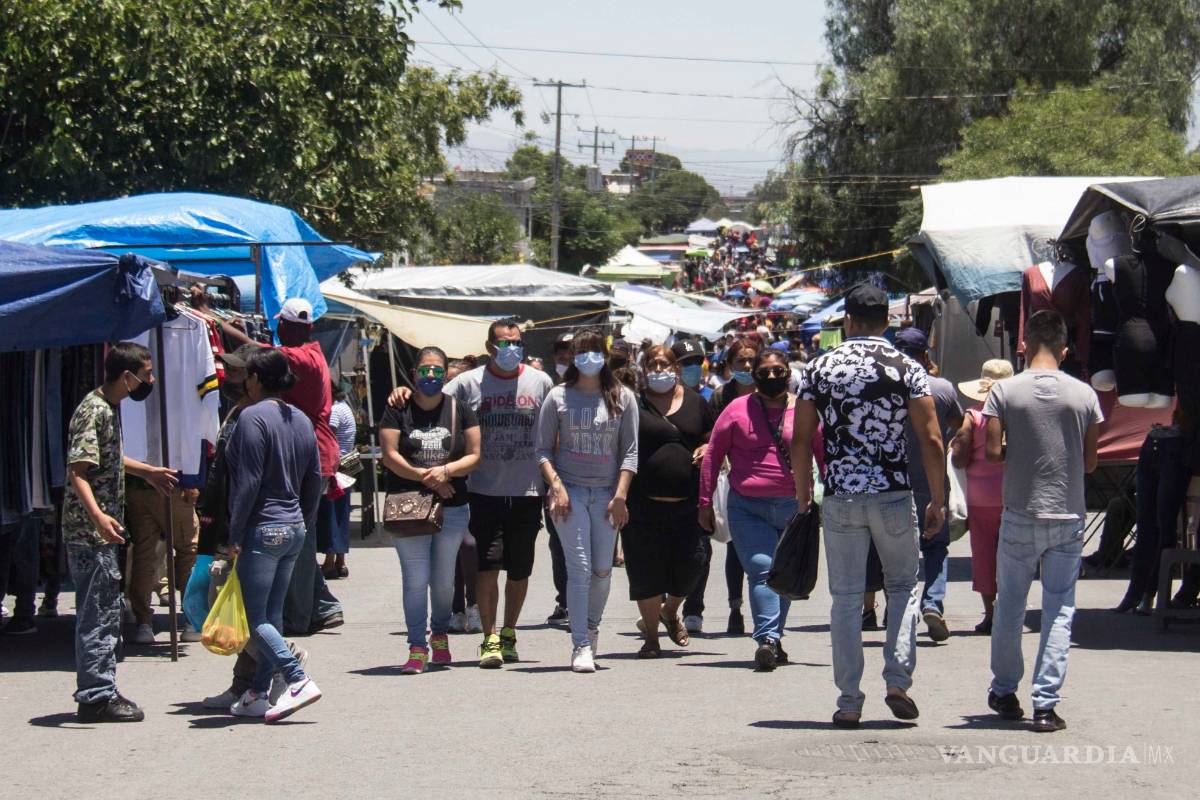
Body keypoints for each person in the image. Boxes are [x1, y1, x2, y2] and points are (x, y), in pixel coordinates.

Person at [792, 284, 945, 728]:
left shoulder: (819, 368)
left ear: (849, 321)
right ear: (889, 322)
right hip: (894, 492)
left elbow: (800, 440)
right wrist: (937, 498)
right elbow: (932, 439)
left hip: (840, 495)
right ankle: (897, 680)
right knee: (901, 587)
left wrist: (805, 496)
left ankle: (848, 700)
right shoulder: (906, 367)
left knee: (844, 598)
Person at [388, 318, 553, 668]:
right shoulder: (466, 383)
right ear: (489, 346)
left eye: (516, 342)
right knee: (487, 565)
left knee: (520, 568)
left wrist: (553, 483)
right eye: (503, 343)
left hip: (526, 490)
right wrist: (401, 391)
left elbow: (553, 433)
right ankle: (490, 638)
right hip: (482, 490)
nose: (510, 349)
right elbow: (429, 401)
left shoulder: (541, 382)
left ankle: (509, 632)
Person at [983, 310, 1102, 732]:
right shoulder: (1085, 395)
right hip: (1068, 514)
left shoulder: (1003, 391)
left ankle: (1003, 689)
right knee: (1059, 610)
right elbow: (1090, 463)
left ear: (1024, 344)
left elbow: (993, 452)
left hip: (1020, 510)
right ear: (1064, 348)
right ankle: (1046, 704)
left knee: (1010, 607)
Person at [63, 342, 179, 723]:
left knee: (106, 610)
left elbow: (107, 459)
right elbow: (77, 470)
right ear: (126, 377)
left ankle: (101, 688)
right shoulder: (93, 409)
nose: (151, 380)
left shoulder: (108, 409)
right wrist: (98, 517)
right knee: (97, 613)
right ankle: (96, 696)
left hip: (103, 531)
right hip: (91, 533)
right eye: (146, 374)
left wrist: (146, 471)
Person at [221, 297, 343, 635]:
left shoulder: (301, 357)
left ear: (289, 327)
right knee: (300, 538)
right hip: (309, 452)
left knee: (300, 542)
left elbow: (254, 349)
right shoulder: (313, 352)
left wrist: (217, 324)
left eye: (280, 325)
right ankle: (322, 605)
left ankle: (299, 617)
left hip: (310, 454)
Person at [224, 348, 324, 722]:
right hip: (293, 526)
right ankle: (257, 693)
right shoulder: (300, 419)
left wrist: (234, 532)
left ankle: (296, 678)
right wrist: (305, 519)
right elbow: (315, 478)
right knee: (272, 615)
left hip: (263, 528)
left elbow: (247, 482)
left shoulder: (252, 418)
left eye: (247, 376)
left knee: (254, 620)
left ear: (256, 379)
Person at [537, 330, 639, 672]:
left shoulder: (622, 397)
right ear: (572, 356)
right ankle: (580, 643)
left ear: (606, 355)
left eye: (595, 351)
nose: (589, 358)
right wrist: (557, 486)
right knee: (578, 569)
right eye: (581, 352)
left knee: (602, 570)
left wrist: (621, 495)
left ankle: (592, 628)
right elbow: (541, 450)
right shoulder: (557, 397)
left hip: (608, 495)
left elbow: (630, 452)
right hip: (570, 493)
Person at [379, 346, 481, 674]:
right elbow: (390, 454)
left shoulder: (460, 409)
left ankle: (439, 633)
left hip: (453, 507)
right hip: (408, 505)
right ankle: (416, 646)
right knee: (414, 579)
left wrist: (446, 472)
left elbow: (475, 454)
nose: (432, 376)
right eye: (425, 370)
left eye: (438, 370)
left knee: (443, 583)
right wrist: (429, 478)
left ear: (446, 374)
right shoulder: (398, 408)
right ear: (414, 374)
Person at [699, 347, 798, 671]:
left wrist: (832, 499)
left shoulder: (805, 410)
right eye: (764, 371)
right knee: (762, 570)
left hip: (793, 507)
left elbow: (821, 451)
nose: (771, 376)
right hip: (747, 507)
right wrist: (704, 503)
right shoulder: (736, 410)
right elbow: (713, 456)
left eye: (778, 371)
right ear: (754, 375)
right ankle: (767, 639)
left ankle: (775, 637)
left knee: (784, 576)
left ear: (789, 373)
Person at [625, 345, 713, 658]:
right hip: (642, 504)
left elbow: (711, 435)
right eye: (652, 364)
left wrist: (707, 448)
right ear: (643, 368)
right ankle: (651, 638)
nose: (659, 369)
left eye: (664, 364)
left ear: (674, 367)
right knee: (646, 573)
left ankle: (670, 610)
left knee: (693, 565)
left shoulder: (696, 401)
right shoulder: (634, 404)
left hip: (687, 504)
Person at [893, 327, 963, 642]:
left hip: (892, 482)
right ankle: (932, 603)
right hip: (932, 482)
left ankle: (897, 610)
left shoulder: (884, 387)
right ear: (925, 355)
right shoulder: (942, 388)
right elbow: (958, 426)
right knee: (936, 547)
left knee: (895, 550)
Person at [686, 336, 758, 635]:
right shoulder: (719, 397)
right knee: (714, 541)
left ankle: (737, 608)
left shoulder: (769, 393)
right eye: (740, 361)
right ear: (729, 365)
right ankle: (697, 608)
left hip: (759, 479)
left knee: (743, 549)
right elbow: (712, 439)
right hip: (725, 478)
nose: (747, 366)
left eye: (752, 360)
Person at [951, 359, 1013, 634]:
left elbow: (960, 458)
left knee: (985, 555)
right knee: (1013, 555)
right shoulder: (1017, 415)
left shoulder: (973, 416)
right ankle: (1011, 611)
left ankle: (990, 613)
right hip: (1014, 494)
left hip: (980, 498)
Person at [544, 333, 576, 627]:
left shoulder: (591, 389)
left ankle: (584, 601)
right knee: (558, 543)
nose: (565, 360)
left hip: (587, 477)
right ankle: (564, 600)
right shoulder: (548, 389)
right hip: (553, 477)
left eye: (570, 354)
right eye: (561, 356)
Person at [319, 381, 356, 580]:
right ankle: (340, 561)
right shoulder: (345, 408)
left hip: (336, 467)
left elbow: (328, 438)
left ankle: (330, 562)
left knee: (331, 514)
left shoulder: (333, 411)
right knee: (341, 514)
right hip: (348, 463)